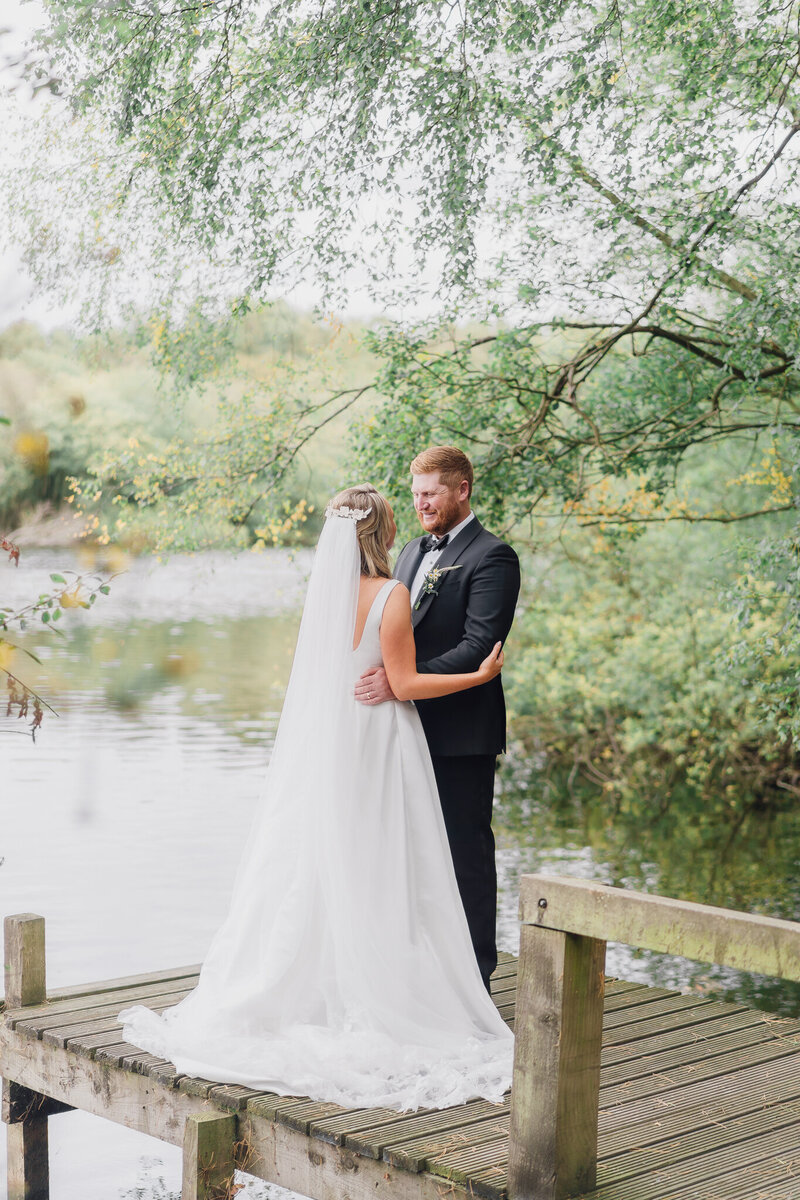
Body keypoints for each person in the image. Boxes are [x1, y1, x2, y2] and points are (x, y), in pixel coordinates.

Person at [118, 485, 513, 1113]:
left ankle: (320, 980)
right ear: (382, 532)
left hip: (330, 742)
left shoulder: (326, 596)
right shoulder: (392, 592)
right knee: (386, 860)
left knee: (321, 856)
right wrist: (480, 674)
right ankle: (383, 980)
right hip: (382, 740)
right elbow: (404, 683)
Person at [355, 447, 521, 993]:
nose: (421, 503)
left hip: (460, 734)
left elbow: (480, 647)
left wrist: (402, 682)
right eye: (416, 493)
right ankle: (422, 969)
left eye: (431, 493)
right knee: (411, 852)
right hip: (401, 733)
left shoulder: (493, 557)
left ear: (462, 490)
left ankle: (476, 974)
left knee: (464, 851)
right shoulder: (408, 552)